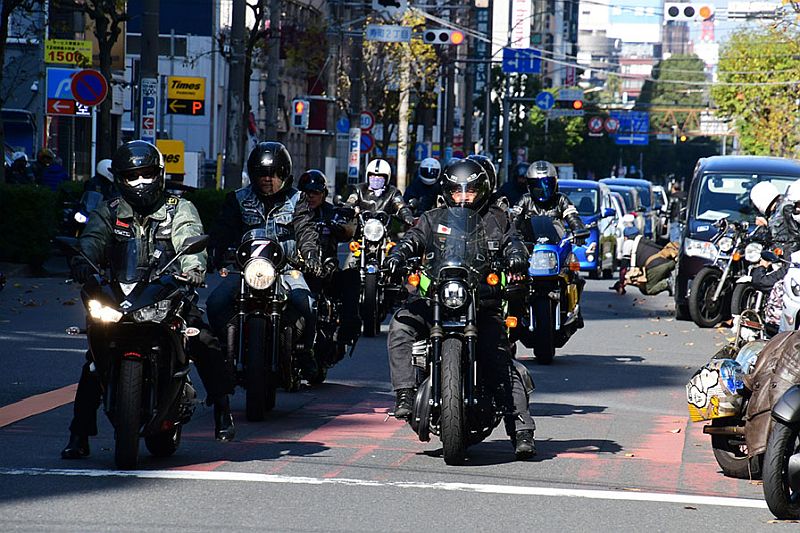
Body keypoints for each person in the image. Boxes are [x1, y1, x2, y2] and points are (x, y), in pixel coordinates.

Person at [62, 140, 235, 459]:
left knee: (206, 341)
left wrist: (194, 268)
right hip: (119, 296)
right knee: (92, 361)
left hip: (168, 293)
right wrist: (81, 262)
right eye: (132, 176)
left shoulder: (178, 208)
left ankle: (222, 410)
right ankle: (78, 434)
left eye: (147, 174)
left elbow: (188, 235)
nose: (140, 182)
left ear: (160, 174)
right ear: (120, 179)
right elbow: (92, 241)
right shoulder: (109, 211)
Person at [383, 158, 537, 459]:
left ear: (482, 190)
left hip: (481, 303)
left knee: (498, 355)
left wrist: (517, 255)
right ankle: (404, 393)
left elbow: (512, 242)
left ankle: (521, 428)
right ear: (447, 191)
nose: (463, 197)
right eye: (457, 191)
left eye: (469, 191)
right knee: (401, 324)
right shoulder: (432, 217)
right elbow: (413, 238)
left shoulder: (497, 219)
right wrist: (397, 255)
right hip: (437, 299)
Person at [206, 141, 322, 378]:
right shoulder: (237, 199)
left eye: (274, 174)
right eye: (262, 174)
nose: (268, 179)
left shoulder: (297, 200)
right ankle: (224, 349)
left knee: (307, 304)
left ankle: (305, 352)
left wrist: (310, 256)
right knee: (215, 302)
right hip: (244, 270)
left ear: (285, 174)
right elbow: (222, 230)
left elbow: (306, 230)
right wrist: (214, 253)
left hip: (287, 269)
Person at [297, 169, 361, 350]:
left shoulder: (331, 212)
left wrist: (340, 225)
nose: (310, 196)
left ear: (323, 194)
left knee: (352, 277)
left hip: (325, 268)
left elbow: (347, 232)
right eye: (306, 192)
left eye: (315, 192)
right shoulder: (292, 213)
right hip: (296, 269)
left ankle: (347, 330)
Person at [513, 160, 586, 240]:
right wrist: (513, 237)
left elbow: (573, 217)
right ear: (529, 186)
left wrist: (579, 230)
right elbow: (514, 220)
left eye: (547, 184)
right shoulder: (525, 200)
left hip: (557, 245)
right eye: (537, 185)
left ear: (555, 183)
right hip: (530, 245)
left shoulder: (561, 199)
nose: (543, 189)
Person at [345, 158, 415, 227]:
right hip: (361, 230)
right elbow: (351, 201)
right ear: (368, 176)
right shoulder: (358, 189)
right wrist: (347, 209)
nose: (376, 178)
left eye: (380, 176)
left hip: (384, 230)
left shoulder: (393, 192)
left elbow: (400, 205)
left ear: (387, 177)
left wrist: (407, 216)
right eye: (373, 175)